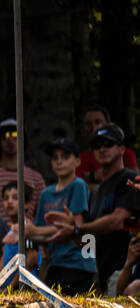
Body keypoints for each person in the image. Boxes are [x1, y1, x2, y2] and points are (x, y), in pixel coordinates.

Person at [45, 124, 140, 294]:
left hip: (128, 271)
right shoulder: (96, 192)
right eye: (97, 146)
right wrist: (73, 233)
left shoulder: (129, 179)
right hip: (103, 276)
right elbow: (89, 241)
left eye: (108, 144)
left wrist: (77, 228)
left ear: (121, 149)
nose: (102, 149)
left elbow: (119, 220)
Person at [22, 138, 94, 295]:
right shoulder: (46, 193)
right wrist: (26, 233)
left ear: (77, 161)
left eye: (65, 157)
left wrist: (33, 231)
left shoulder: (79, 185)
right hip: (55, 263)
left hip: (78, 262)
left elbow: (76, 226)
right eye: (55, 158)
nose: (59, 162)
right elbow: (39, 232)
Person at [0, 118, 45, 220]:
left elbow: (42, 214)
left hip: (28, 234)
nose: (10, 140)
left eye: (15, 135)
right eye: (5, 136)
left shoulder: (36, 179)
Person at [75, 105, 138, 184]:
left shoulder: (127, 153)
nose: (93, 127)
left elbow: (135, 178)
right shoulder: (82, 157)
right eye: (88, 124)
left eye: (98, 122)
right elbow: (78, 186)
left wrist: (92, 176)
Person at [0, 182, 38, 275]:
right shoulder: (9, 232)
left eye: (15, 198)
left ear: (27, 204)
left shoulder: (28, 229)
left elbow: (32, 257)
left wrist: (11, 287)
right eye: (6, 198)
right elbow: (3, 263)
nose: (9, 201)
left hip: (24, 287)